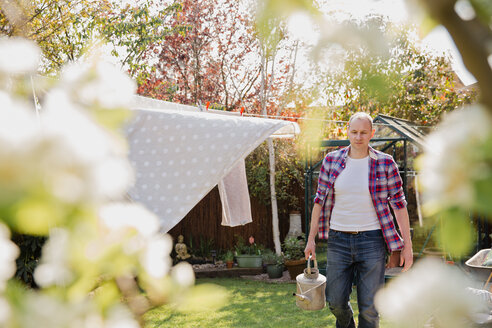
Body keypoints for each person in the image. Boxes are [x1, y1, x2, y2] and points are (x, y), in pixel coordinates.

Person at [304, 112, 413, 328]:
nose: (358, 137)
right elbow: (318, 202)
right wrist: (311, 240)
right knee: (334, 302)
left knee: (370, 309)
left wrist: (407, 245)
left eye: (363, 132)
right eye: (354, 132)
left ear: (372, 133)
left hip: (372, 241)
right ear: (347, 132)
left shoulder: (385, 163)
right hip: (338, 240)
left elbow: (399, 205)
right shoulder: (331, 160)